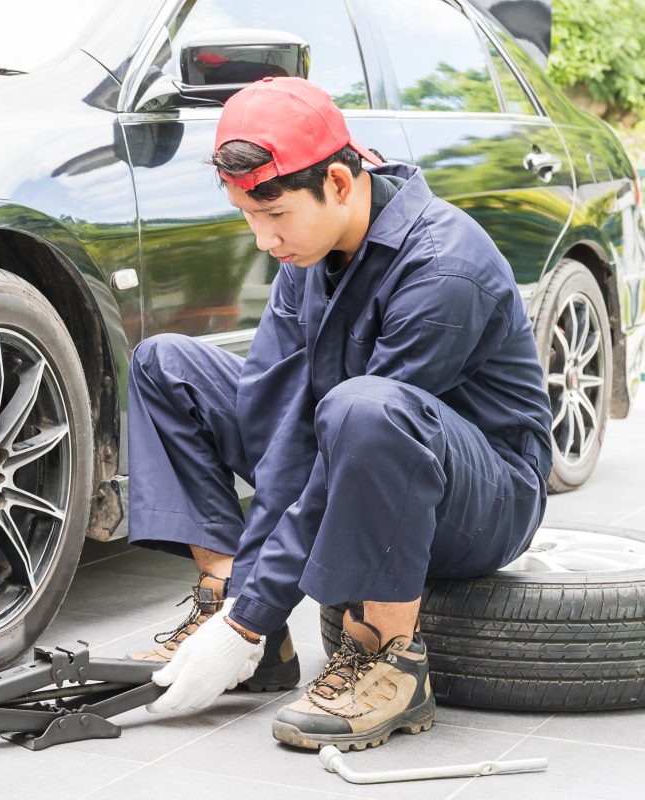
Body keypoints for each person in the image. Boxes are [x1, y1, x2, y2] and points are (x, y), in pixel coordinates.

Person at [125, 76, 553, 751]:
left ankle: (391, 660)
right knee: (165, 363)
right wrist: (244, 616)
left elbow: (343, 443)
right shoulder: (308, 251)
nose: (263, 240)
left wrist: (256, 616)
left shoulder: (444, 267)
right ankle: (225, 600)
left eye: (275, 217)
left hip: (482, 497)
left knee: (362, 407)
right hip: (357, 442)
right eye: (248, 217)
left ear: (341, 184)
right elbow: (281, 430)